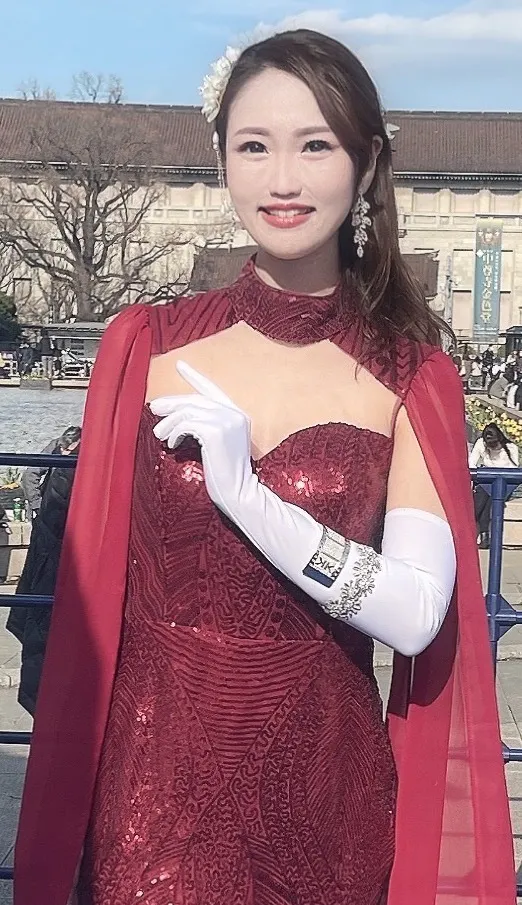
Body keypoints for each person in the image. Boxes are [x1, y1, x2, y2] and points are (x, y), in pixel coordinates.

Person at [14, 30, 513, 905]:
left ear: (366, 164)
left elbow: (414, 613)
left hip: (326, 798)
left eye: (315, 145)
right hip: (151, 799)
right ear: (221, 161)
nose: (283, 179)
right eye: (254, 147)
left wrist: (249, 498)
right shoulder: (143, 347)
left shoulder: (410, 374)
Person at [6, 434, 80, 715]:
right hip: (55, 557)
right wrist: (36, 505)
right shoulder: (69, 462)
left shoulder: (66, 460)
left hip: (47, 557)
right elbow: (31, 474)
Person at [469, 423, 519, 548]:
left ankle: (484, 536)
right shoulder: (481, 443)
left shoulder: (511, 448)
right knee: (481, 501)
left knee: (490, 501)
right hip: (486, 480)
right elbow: (471, 463)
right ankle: (481, 534)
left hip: (504, 483)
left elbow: (514, 468)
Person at [21, 426, 81, 521]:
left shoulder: (85, 450)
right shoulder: (55, 445)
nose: (63, 453)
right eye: (62, 448)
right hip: (49, 504)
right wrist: (37, 504)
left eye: (68, 450)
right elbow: (30, 474)